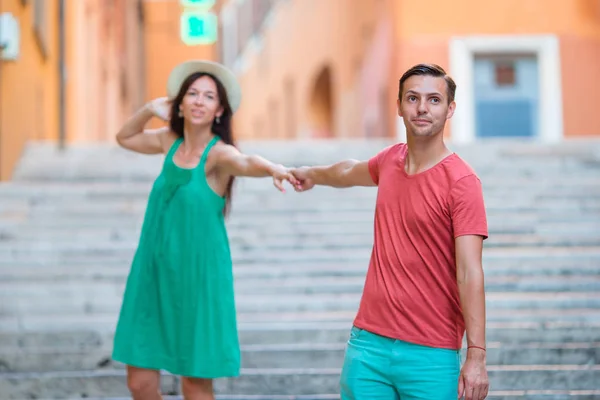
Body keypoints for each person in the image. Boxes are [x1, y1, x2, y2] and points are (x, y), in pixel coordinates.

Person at [291, 64, 489, 400]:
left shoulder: (462, 182)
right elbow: (347, 170)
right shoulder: (390, 161)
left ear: (450, 109)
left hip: (431, 353)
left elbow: (470, 272)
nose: (422, 108)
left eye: (434, 100)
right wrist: (312, 173)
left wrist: (477, 356)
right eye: (412, 98)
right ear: (398, 106)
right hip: (368, 346)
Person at [111, 60, 297, 400]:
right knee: (139, 383)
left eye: (208, 96)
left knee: (195, 388)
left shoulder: (218, 155)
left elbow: (245, 162)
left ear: (219, 110)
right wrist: (149, 109)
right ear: (179, 103)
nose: (198, 101)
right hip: (153, 274)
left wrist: (272, 168)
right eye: (192, 94)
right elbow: (125, 137)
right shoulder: (168, 141)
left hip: (198, 279)